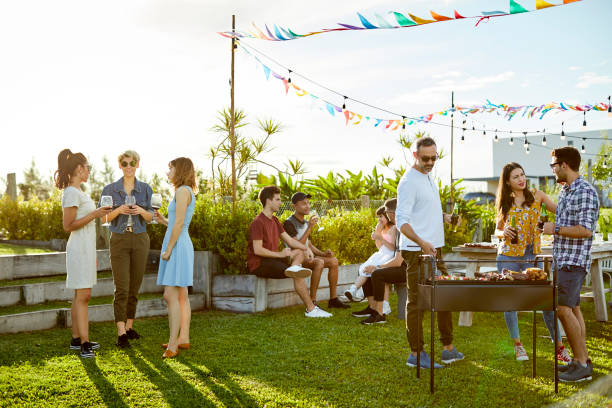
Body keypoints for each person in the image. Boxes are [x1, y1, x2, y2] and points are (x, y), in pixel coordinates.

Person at [396, 137, 464, 369]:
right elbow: (401, 223)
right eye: (425, 158)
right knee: (416, 302)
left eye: (434, 158)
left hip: (434, 249)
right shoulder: (408, 182)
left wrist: (445, 218)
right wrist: (422, 242)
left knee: (444, 295)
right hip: (416, 251)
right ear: (415, 155)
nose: (430, 162)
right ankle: (415, 354)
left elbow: (423, 212)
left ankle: (447, 349)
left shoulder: (428, 176)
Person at [495, 162, 570, 362]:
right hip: (508, 256)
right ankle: (518, 345)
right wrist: (504, 232)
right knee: (510, 302)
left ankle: (560, 348)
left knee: (546, 301)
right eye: (516, 177)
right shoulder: (505, 201)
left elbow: (562, 212)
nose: (521, 179)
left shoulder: (538, 196)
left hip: (532, 255)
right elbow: (497, 230)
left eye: (522, 174)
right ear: (508, 182)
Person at [542, 147, 600, 382]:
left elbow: (586, 230)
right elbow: (567, 218)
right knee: (573, 308)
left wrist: (554, 228)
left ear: (564, 165)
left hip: (573, 261)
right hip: (563, 259)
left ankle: (582, 364)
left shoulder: (585, 191)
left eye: (554, 165)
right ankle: (579, 361)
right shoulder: (566, 190)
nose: (553, 169)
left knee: (563, 308)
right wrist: (548, 210)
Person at [55, 149, 111, 358]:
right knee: (84, 295)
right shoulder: (71, 192)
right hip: (78, 248)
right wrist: (95, 214)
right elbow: (68, 225)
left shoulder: (79, 192)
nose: (89, 171)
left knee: (81, 294)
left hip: (86, 249)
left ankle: (76, 339)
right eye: (88, 167)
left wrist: (92, 252)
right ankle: (85, 343)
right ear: (79, 169)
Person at [248, 186, 331, 318]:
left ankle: (295, 269)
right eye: (278, 199)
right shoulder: (258, 222)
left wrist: (306, 248)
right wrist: (280, 254)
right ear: (268, 201)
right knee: (297, 273)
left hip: (273, 260)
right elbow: (257, 250)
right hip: (260, 264)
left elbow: (291, 242)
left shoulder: (274, 220)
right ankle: (311, 309)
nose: (280, 203)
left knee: (298, 252)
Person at [100, 150, 153, 349]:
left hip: (140, 239)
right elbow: (103, 218)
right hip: (119, 240)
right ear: (120, 165)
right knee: (121, 287)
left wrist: (141, 211)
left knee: (134, 286)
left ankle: (130, 327)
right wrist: (118, 211)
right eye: (125, 163)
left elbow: (153, 217)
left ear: (138, 164)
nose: (129, 166)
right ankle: (121, 332)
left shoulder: (146, 189)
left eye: (132, 163)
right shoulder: (110, 189)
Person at [154, 157, 197, 359]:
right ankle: (184, 338)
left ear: (179, 170)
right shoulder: (186, 191)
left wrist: (169, 249)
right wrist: (164, 221)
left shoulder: (181, 191)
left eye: (170, 168)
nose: (167, 172)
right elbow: (176, 222)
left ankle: (173, 344)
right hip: (181, 243)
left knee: (170, 295)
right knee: (181, 295)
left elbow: (179, 224)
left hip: (178, 246)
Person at [283, 192, 349, 309]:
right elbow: (296, 246)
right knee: (319, 262)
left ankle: (333, 299)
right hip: (295, 259)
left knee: (333, 261)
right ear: (295, 206)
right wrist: (309, 228)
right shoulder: (289, 223)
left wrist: (324, 253)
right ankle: (313, 300)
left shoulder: (305, 222)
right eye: (303, 204)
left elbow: (309, 245)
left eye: (308, 203)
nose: (307, 206)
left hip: (308, 257)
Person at [352, 198, 408, 325]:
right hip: (402, 266)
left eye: (386, 212)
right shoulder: (400, 227)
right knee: (367, 269)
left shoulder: (401, 229)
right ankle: (373, 309)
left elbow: (398, 262)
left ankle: (379, 314)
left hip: (408, 269)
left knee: (376, 273)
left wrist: (377, 266)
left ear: (392, 213)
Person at [345, 206, 395, 308]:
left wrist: (380, 237)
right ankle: (353, 289)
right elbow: (379, 247)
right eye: (378, 217)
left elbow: (392, 248)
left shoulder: (393, 229)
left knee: (371, 269)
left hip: (389, 256)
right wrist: (378, 234)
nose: (379, 219)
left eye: (381, 216)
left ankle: (356, 290)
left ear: (387, 215)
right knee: (364, 267)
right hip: (381, 253)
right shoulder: (382, 229)